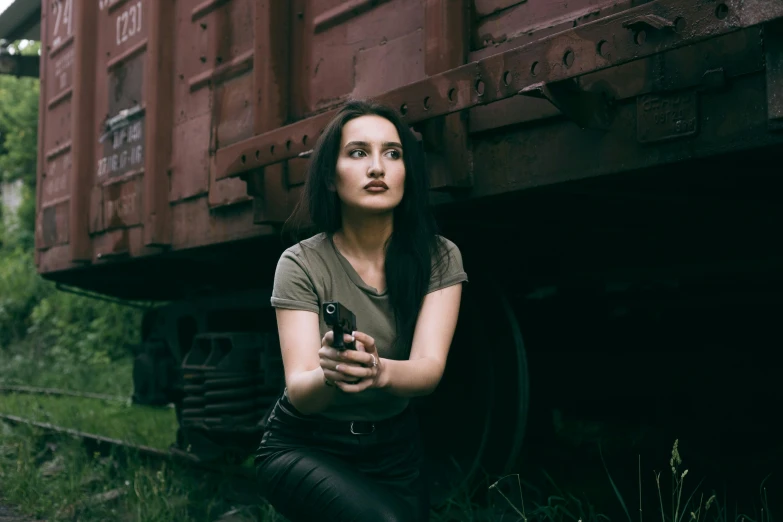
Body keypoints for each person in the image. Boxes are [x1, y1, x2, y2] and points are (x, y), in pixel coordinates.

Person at [254, 99, 468, 522]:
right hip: (305, 443)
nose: (377, 167)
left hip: (394, 451)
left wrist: (376, 370)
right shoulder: (300, 264)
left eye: (393, 153)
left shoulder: (439, 257)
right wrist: (331, 371)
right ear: (331, 178)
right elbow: (300, 391)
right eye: (358, 153)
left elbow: (429, 369)